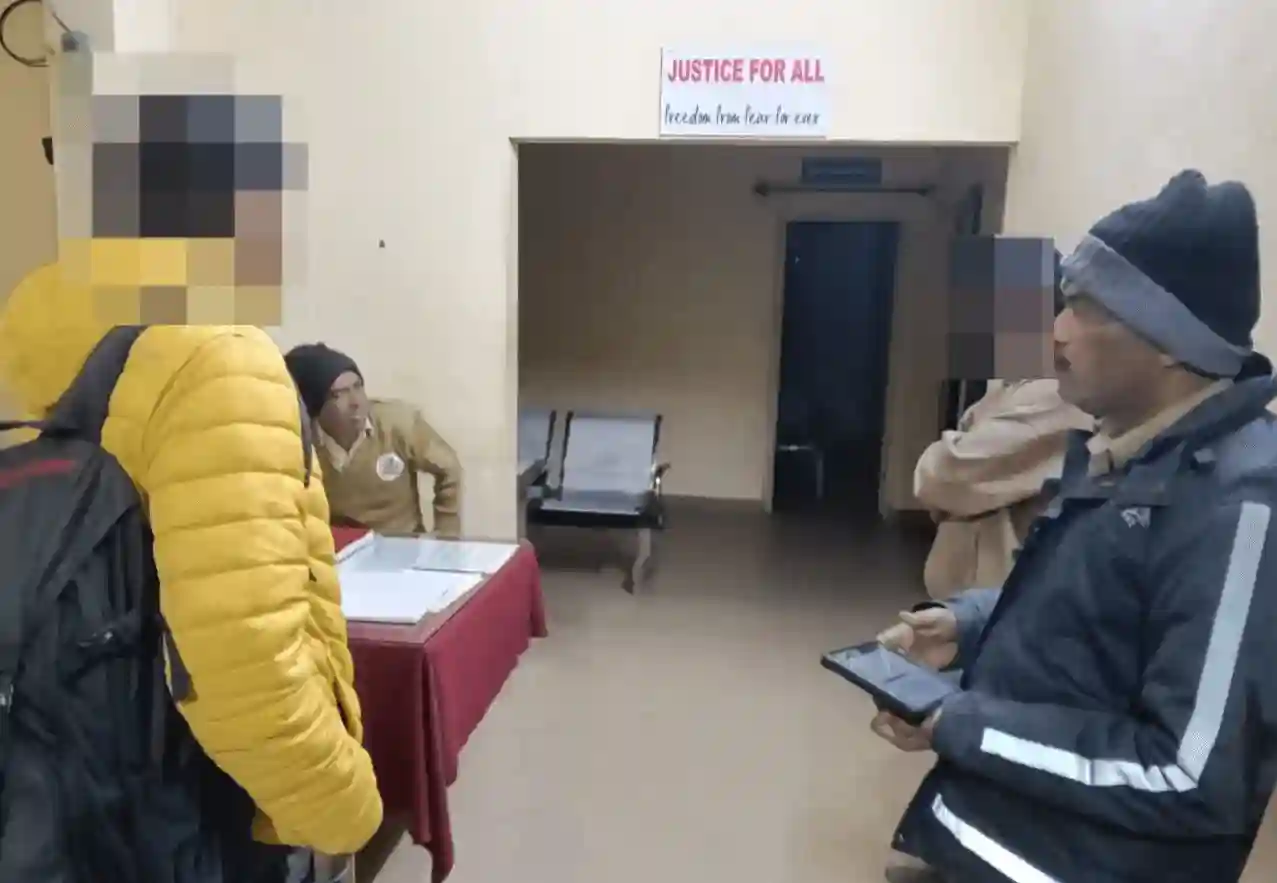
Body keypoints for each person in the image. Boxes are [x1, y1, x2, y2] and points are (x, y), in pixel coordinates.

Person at [0, 83, 382, 881]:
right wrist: (340, 807)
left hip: (66, 779)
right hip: (196, 809)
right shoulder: (216, 360)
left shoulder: (43, 343)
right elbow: (244, 659)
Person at [873, 170, 1277, 883]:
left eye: (1083, 308)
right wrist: (967, 623)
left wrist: (957, 723)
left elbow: (1187, 774)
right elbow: (1090, 608)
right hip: (999, 846)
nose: (1054, 330)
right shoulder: (1125, 448)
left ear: (1165, 338)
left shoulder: (1239, 504)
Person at [915, 251, 1093, 598]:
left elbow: (948, 472)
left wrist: (944, 466)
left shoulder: (1056, 393)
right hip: (973, 603)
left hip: (1008, 600)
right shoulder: (1013, 383)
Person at [284, 343, 463, 537]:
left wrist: (446, 532)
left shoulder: (396, 423)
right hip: (340, 545)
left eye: (358, 386)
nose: (356, 401)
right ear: (315, 406)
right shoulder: (300, 441)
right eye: (337, 395)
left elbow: (449, 467)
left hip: (401, 543)